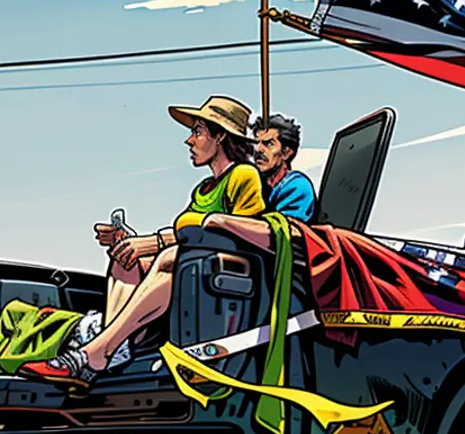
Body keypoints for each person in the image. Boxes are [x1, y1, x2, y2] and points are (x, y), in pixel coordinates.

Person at [20, 95, 266, 385]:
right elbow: (184, 233)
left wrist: (157, 242)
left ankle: (96, 353)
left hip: (224, 283)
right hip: (190, 273)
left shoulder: (244, 175)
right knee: (127, 258)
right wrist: (132, 242)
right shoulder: (203, 189)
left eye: (198, 132)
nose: (190, 141)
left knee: (169, 259)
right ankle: (112, 349)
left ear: (221, 136)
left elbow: (241, 233)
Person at [252, 113, 317, 222]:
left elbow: (283, 231)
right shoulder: (257, 184)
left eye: (269, 144)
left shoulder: (297, 186)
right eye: (256, 142)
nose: (258, 149)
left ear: (286, 153)